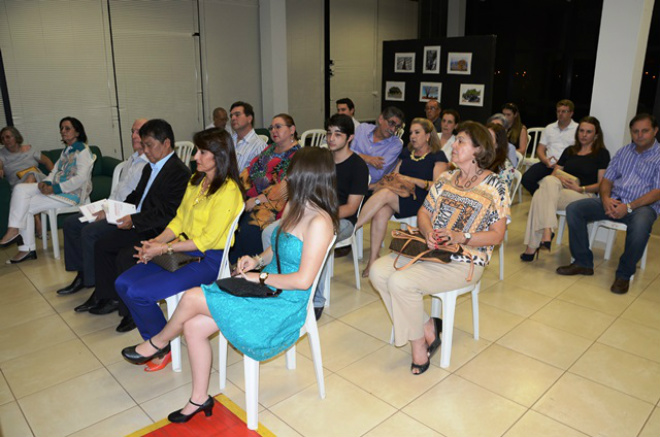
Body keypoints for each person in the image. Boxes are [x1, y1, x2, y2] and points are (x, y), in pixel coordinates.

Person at [120, 147, 337, 423]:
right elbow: (279, 249)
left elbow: (304, 280)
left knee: (192, 297)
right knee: (193, 326)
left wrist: (258, 277)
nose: (286, 179)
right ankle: (199, 399)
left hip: (284, 302)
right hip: (265, 288)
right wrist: (256, 260)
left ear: (309, 177)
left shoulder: (320, 221)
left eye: (292, 174)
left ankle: (159, 342)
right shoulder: (295, 206)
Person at [369, 121, 508, 375]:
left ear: (478, 150)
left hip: (466, 260)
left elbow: (497, 236)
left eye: (461, 141)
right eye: (455, 140)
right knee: (379, 272)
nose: (453, 145)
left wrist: (460, 236)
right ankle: (426, 327)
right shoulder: (445, 179)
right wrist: (428, 231)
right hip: (430, 249)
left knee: (401, 283)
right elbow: (424, 212)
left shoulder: (495, 185)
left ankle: (419, 347)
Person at [115, 128, 243, 369]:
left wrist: (163, 249)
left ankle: (159, 345)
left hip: (208, 261)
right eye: (197, 151)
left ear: (219, 156)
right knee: (122, 283)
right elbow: (179, 221)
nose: (195, 157)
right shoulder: (197, 182)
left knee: (139, 293)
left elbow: (206, 241)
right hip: (183, 253)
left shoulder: (228, 191)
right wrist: (157, 242)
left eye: (202, 152)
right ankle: (159, 339)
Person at [74, 119, 190, 331]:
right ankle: (108, 297)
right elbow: (137, 196)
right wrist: (121, 210)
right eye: (143, 145)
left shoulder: (179, 172)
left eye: (149, 145)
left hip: (159, 231)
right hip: (141, 223)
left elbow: (168, 213)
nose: (145, 150)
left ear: (166, 143)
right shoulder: (150, 168)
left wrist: (134, 221)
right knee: (102, 244)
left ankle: (132, 313)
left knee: (125, 255)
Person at [261, 114, 369, 319]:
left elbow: (351, 208)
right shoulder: (320, 159)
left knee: (313, 242)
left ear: (350, 138)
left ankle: (316, 299)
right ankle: (281, 281)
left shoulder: (358, 166)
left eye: (338, 134)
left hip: (340, 219)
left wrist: (319, 217)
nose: (331, 138)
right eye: (329, 133)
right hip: (306, 213)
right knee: (270, 232)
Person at [557, 113, 660, 295]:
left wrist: (628, 207)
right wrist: (605, 199)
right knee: (575, 209)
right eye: (635, 131)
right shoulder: (623, 152)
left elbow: (657, 192)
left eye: (645, 131)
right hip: (613, 200)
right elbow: (607, 180)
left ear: (655, 131)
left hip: (642, 207)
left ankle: (624, 274)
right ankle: (582, 262)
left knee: (641, 226)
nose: (639, 135)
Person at [56, 119, 149, 296]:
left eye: (139, 131)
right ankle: (82, 274)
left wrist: (107, 211)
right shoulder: (132, 159)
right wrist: (104, 206)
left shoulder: (149, 164)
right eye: (132, 131)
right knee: (70, 223)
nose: (134, 135)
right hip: (111, 205)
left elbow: (136, 201)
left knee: (89, 231)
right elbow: (118, 192)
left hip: (124, 212)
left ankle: (96, 284)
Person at [356, 117, 449, 277]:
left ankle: (354, 226)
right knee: (381, 211)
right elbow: (397, 173)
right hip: (401, 194)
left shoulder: (437, 156)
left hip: (423, 201)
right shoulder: (407, 153)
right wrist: (395, 179)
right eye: (411, 132)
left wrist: (412, 180)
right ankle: (372, 259)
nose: (412, 136)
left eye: (417, 132)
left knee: (385, 194)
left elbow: (437, 186)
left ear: (427, 136)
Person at [0, 117, 94, 264]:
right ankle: (17, 234)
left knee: (25, 205)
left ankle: (25, 246)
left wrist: (54, 188)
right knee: (20, 189)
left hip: (71, 194)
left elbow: (80, 179)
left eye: (67, 128)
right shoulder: (67, 151)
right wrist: (45, 183)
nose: (63, 131)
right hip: (57, 189)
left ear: (77, 131)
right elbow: (55, 171)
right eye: (61, 128)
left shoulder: (83, 151)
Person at [521, 116, 610, 261]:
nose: (584, 134)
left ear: (596, 135)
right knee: (549, 180)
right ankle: (547, 230)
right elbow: (554, 173)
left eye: (588, 132)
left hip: (584, 195)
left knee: (539, 195)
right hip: (560, 191)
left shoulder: (602, 154)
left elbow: (602, 184)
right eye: (581, 131)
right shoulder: (569, 151)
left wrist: (580, 188)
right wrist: (560, 177)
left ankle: (534, 244)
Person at [229, 113, 300, 263]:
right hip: (254, 198)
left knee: (248, 228)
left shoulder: (297, 155)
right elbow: (249, 170)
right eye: (271, 127)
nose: (273, 130)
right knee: (230, 218)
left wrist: (254, 201)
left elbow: (282, 190)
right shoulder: (269, 150)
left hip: (277, 205)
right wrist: (235, 193)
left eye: (278, 127)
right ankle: (232, 267)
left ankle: (253, 267)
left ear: (292, 129)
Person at [521, 99, 578, 194]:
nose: (560, 114)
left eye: (564, 111)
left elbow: (580, 151)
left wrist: (563, 164)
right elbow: (540, 149)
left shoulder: (578, 129)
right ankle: (542, 195)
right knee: (526, 179)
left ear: (571, 113)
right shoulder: (549, 128)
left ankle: (545, 196)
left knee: (562, 186)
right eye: (558, 111)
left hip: (566, 167)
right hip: (548, 164)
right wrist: (545, 160)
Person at [351, 106, 404, 185]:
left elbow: (377, 174)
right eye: (391, 123)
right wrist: (367, 158)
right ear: (381, 119)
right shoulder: (362, 129)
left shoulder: (396, 145)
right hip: (345, 178)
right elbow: (346, 153)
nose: (393, 130)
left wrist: (354, 158)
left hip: (368, 186)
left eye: (397, 127)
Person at [229, 101, 267, 171]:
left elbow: (260, 176)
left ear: (249, 118)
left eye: (237, 115)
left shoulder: (259, 146)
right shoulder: (228, 141)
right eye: (231, 116)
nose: (233, 118)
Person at [486, 122, 516, 191]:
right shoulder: (481, 157)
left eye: (489, 138)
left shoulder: (505, 167)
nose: (485, 141)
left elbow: (497, 193)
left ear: (498, 144)